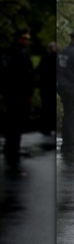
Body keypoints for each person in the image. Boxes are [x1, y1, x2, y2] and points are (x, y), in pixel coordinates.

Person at [1, 29, 36, 174]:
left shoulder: (8, 52)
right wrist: (29, 93)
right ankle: (13, 148)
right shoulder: (20, 53)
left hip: (10, 93)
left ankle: (10, 147)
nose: (27, 42)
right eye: (25, 39)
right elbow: (26, 75)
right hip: (19, 94)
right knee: (17, 122)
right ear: (19, 39)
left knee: (11, 121)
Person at [36, 41, 58, 138]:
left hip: (45, 88)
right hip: (52, 88)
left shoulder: (45, 58)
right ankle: (51, 127)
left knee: (46, 108)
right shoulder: (56, 58)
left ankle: (46, 128)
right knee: (51, 108)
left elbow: (38, 70)